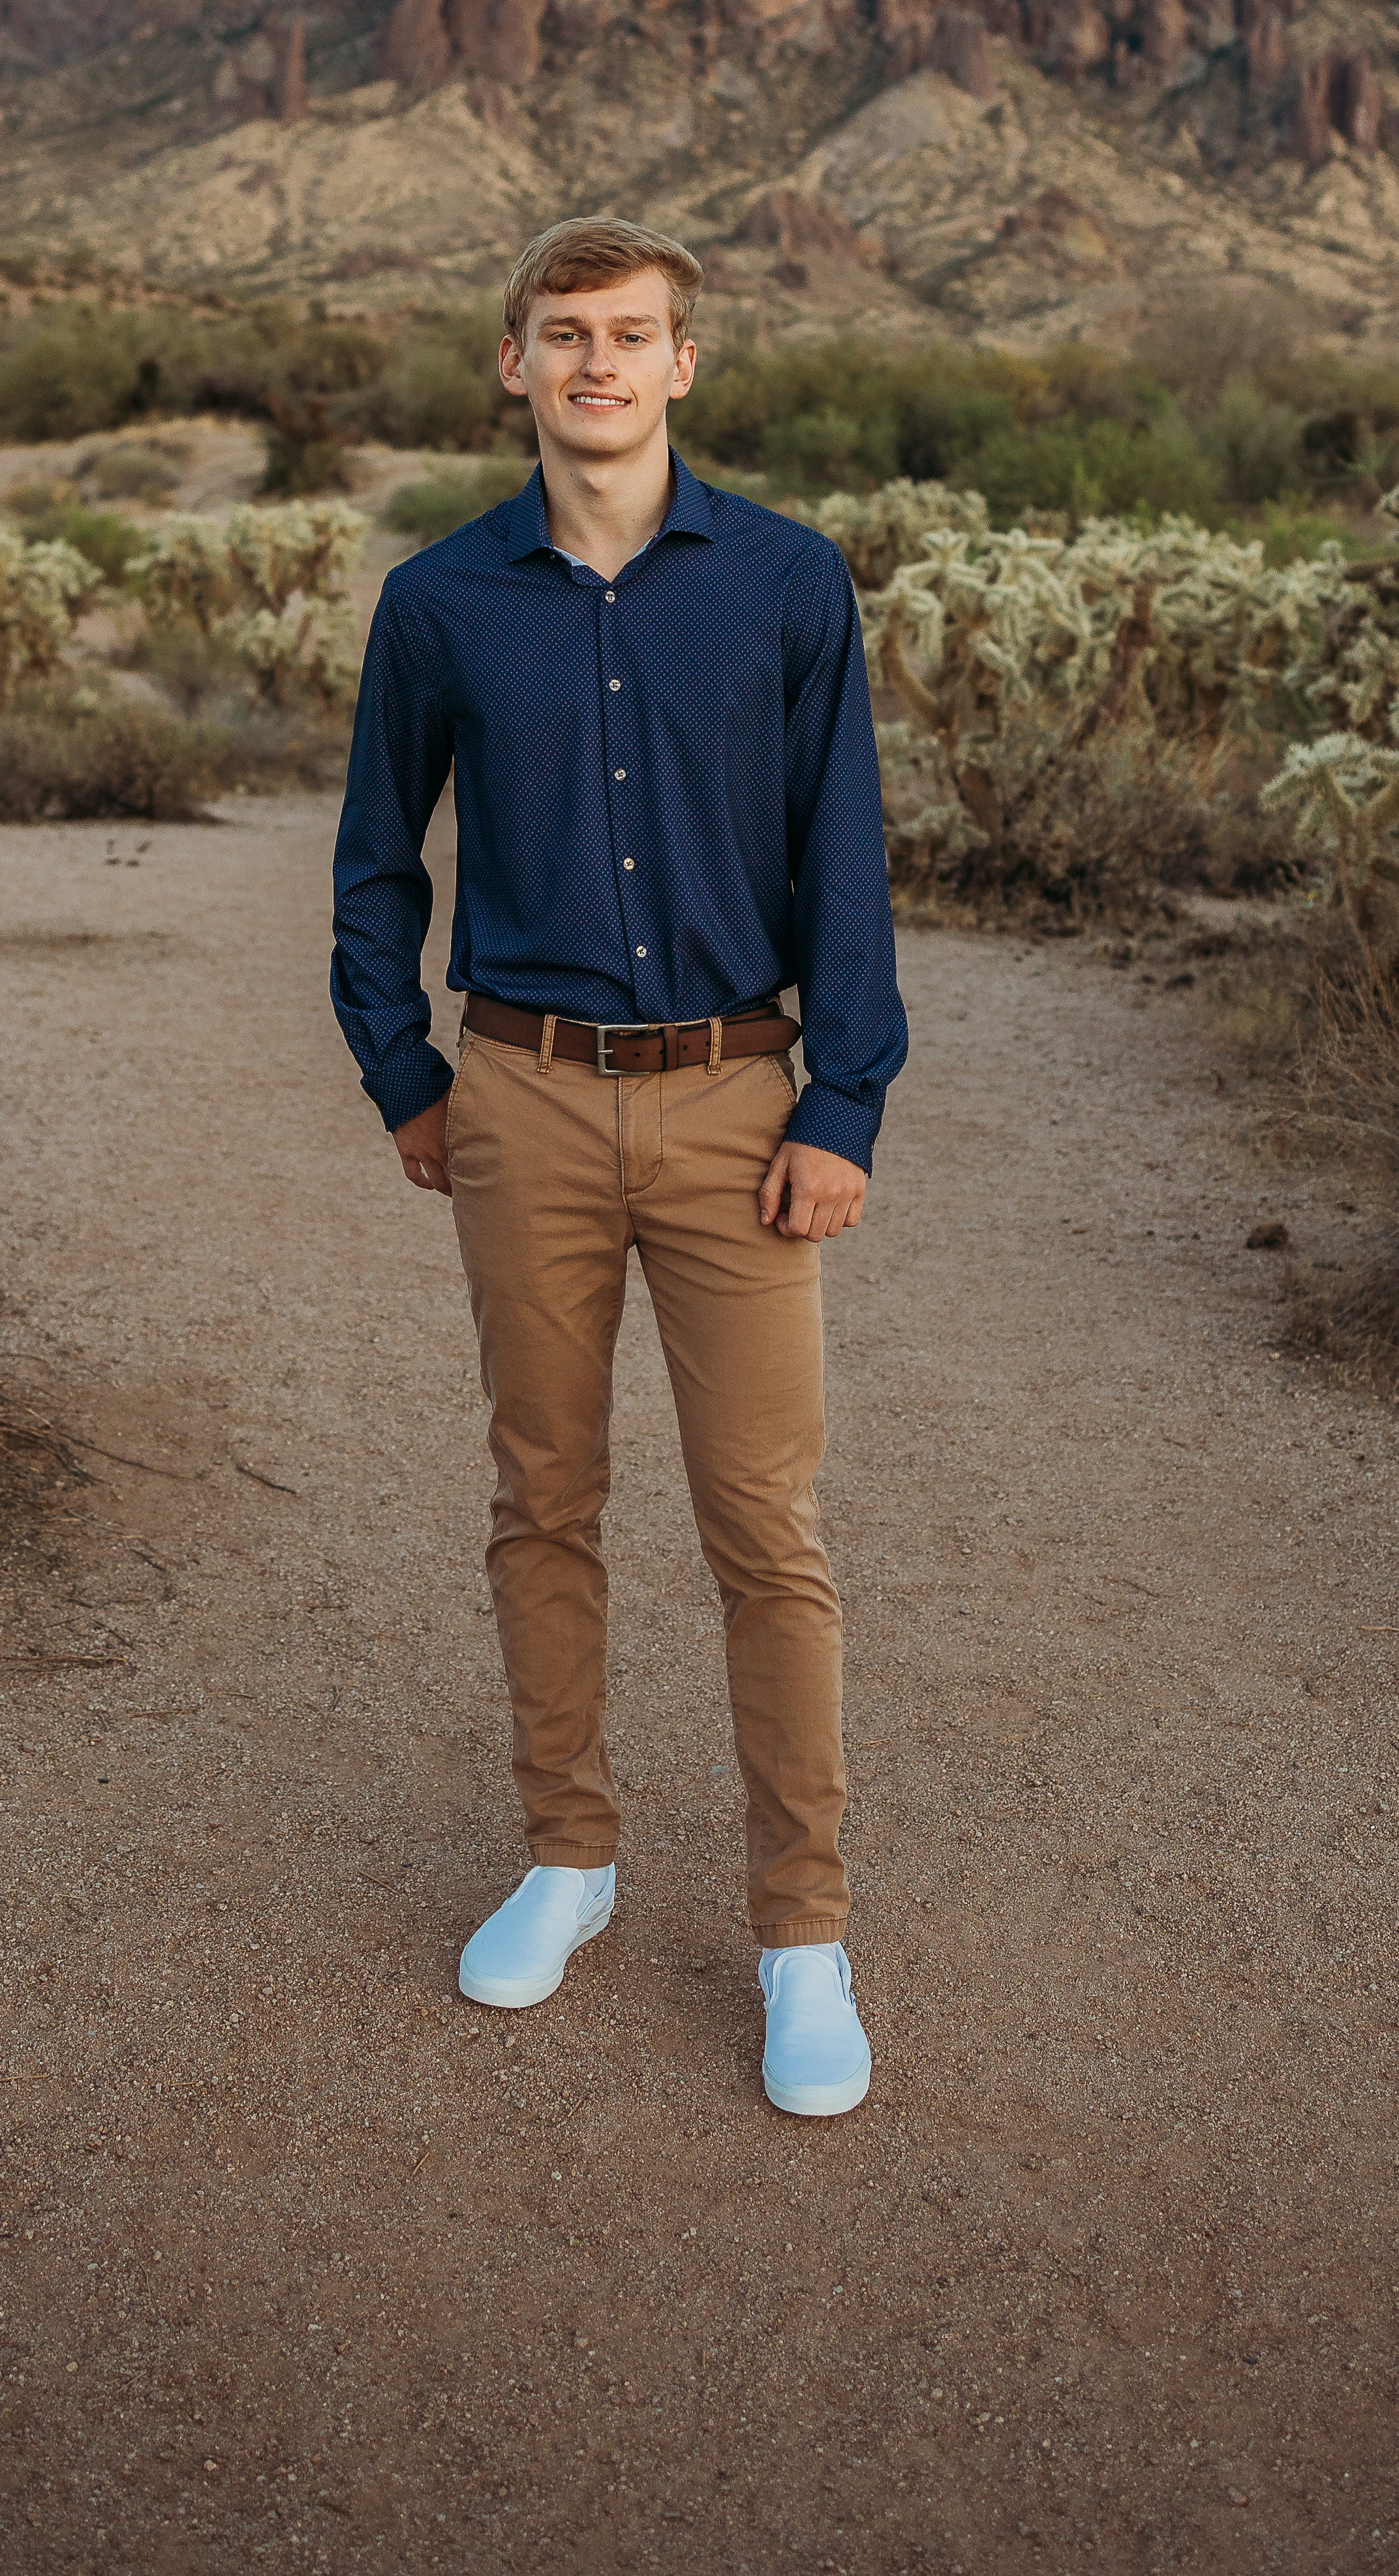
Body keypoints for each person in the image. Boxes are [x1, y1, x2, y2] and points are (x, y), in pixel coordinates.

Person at [330, 213, 907, 2118]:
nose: (597, 363)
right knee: (543, 1497)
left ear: (684, 367)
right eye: (564, 334)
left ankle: (800, 1937)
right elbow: (376, 865)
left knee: (768, 1532)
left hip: (744, 1109)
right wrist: (407, 1072)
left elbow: (848, 861)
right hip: (523, 1098)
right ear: (516, 367)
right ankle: (569, 1860)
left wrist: (844, 1104)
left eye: (632, 335)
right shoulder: (441, 602)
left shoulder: (788, 584)